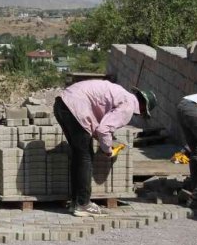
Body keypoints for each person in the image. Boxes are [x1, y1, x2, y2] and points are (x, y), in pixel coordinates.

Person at [53, 80, 156, 216]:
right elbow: (103, 129)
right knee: (85, 157)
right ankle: (83, 204)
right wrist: (107, 150)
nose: (139, 115)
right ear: (143, 107)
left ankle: (76, 201)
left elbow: (98, 125)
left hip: (62, 103)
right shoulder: (128, 106)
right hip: (75, 107)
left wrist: (105, 140)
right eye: (142, 113)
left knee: (79, 154)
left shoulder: (121, 93)